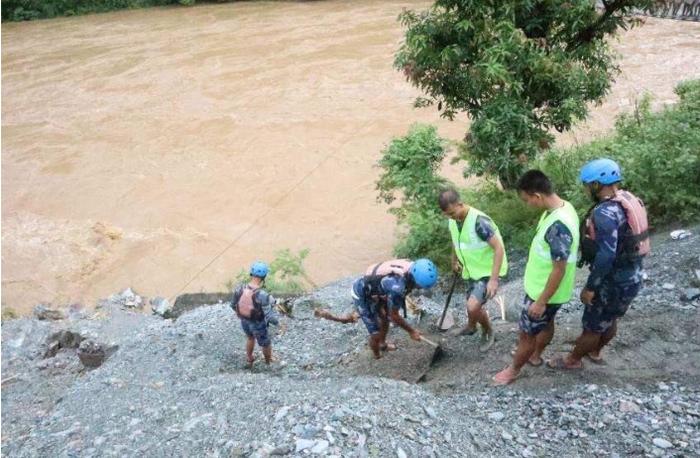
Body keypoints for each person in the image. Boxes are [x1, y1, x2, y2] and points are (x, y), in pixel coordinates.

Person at [548, 158, 649, 369]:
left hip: (612, 281)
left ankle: (572, 360)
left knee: (592, 327)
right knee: (610, 319)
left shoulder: (604, 213)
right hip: (633, 274)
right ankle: (594, 351)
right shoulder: (627, 199)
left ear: (596, 184)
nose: (586, 189)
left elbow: (606, 255)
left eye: (587, 185)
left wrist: (591, 287)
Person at [493, 170, 580, 385]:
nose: (527, 204)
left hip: (544, 294)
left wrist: (541, 301)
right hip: (549, 292)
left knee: (526, 335)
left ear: (537, 196)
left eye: (527, 199)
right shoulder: (563, 208)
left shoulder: (558, 226)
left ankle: (513, 370)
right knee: (547, 323)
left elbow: (558, 269)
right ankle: (535, 355)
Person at [438, 188, 508, 351]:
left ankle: (488, 330)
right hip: (471, 271)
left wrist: (493, 280)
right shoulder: (454, 220)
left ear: (460, 204)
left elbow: (498, 248)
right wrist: (454, 260)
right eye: (447, 214)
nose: (451, 217)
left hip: (487, 272)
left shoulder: (479, 222)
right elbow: (457, 241)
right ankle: (471, 326)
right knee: (472, 303)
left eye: (453, 213)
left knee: (472, 306)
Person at [347, 258, 438, 359]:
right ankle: (376, 355)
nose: (419, 289)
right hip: (362, 294)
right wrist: (411, 331)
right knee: (375, 333)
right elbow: (394, 315)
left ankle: (382, 345)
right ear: (413, 280)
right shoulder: (397, 288)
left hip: (380, 290)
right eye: (419, 286)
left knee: (385, 319)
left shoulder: (410, 267)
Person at [231, 261, 279, 367]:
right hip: (258, 323)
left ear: (251, 274)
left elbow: (233, 305)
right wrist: (278, 323)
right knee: (265, 343)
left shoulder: (239, 288)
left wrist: (241, 314)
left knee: (250, 337)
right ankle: (268, 361)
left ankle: (249, 358)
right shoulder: (263, 295)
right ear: (264, 277)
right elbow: (270, 317)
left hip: (244, 321)